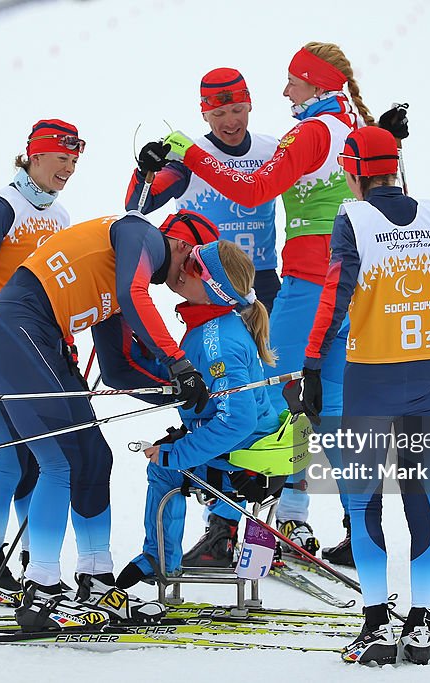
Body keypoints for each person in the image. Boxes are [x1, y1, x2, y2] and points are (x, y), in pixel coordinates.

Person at [157, 41, 409, 564]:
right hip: (353, 281)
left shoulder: (312, 130)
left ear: (315, 84)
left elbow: (253, 191)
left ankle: (242, 524)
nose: (285, 90)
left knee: (269, 396)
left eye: (293, 81)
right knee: (330, 409)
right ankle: (355, 528)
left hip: (309, 282)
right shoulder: (349, 125)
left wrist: (190, 153)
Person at [297, 126, 430, 665]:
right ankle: (420, 623)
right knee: (420, 501)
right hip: (422, 389)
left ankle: (375, 623)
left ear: (354, 171)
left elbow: (335, 297)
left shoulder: (353, 219)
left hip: (369, 385)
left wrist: (313, 365)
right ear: (394, 167)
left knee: (365, 502)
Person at [0, 209, 218, 631]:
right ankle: (42, 588)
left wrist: (179, 387)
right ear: (181, 244)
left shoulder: (124, 280)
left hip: (40, 339)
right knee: (60, 461)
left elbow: (120, 367)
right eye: (194, 264)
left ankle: (95, 576)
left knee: (94, 456)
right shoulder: (138, 234)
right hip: (18, 330)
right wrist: (177, 361)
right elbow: (133, 293)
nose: (188, 278)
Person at [91, 241, 283, 588]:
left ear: (214, 289)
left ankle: (158, 559)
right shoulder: (209, 326)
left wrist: (177, 452)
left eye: (194, 265)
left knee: (164, 468)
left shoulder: (218, 342)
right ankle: (160, 557)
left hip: (243, 466)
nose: (182, 266)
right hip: (244, 450)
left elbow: (238, 420)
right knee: (166, 459)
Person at [0, 119, 82, 607]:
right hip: (4, 352)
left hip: (47, 355)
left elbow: (61, 292)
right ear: (34, 156)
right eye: (61, 158)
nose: (68, 168)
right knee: (13, 463)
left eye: (74, 160)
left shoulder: (62, 216)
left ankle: (30, 566)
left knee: (39, 464)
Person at [127, 68, 282, 312]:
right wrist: (144, 170)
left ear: (250, 105)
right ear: (204, 114)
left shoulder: (271, 149)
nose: (230, 122)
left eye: (237, 110)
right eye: (218, 113)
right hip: (207, 281)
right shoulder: (190, 156)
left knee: (276, 351)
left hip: (263, 278)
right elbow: (138, 206)